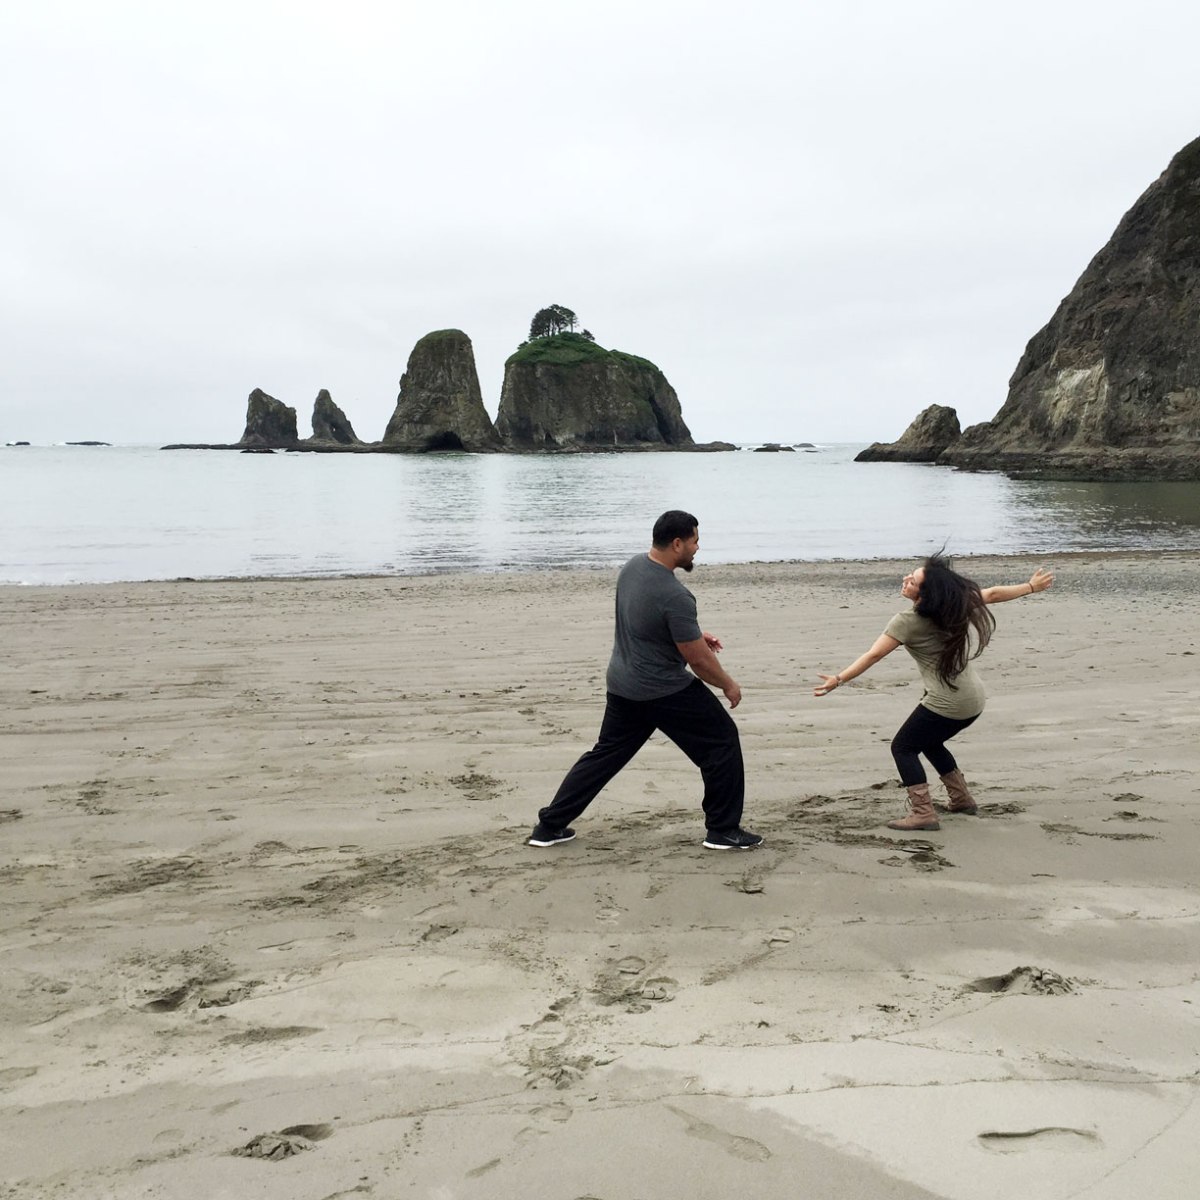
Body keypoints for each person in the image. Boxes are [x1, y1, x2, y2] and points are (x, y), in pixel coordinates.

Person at [529, 510, 762, 851]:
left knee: (605, 756)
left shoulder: (633, 567)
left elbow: (645, 622)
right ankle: (723, 830)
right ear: (677, 543)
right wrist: (728, 684)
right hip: (662, 689)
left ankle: (548, 826)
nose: (698, 548)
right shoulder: (676, 595)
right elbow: (698, 661)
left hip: (623, 685)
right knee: (721, 742)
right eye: (695, 541)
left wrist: (693, 634)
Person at [813, 554, 1054, 831]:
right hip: (973, 698)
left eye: (913, 580)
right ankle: (962, 800)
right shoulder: (955, 605)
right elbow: (993, 594)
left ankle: (923, 813)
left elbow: (874, 655)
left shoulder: (907, 621)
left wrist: (839, 679)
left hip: (948, 702)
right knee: (930, 742)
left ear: (926, 594)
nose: (906, 579)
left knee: (903, 747)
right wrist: (1031, 587)